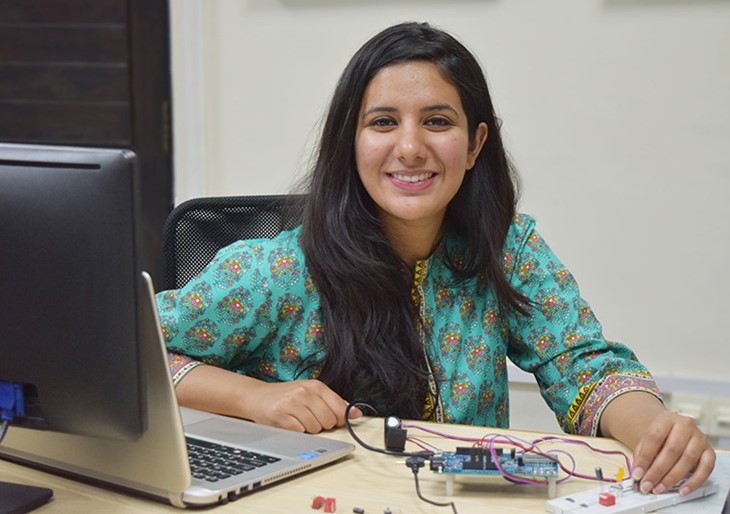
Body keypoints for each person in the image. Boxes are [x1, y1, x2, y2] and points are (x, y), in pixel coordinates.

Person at [157, 22, 715, 497]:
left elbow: (585, 364)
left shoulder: (506, 249)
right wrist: (255, 398)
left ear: (474, 145)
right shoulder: (278, 271)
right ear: (349, 145)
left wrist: (656, 431)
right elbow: (135, 350)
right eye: (382, 122)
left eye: (437, 121)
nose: (409, 147)